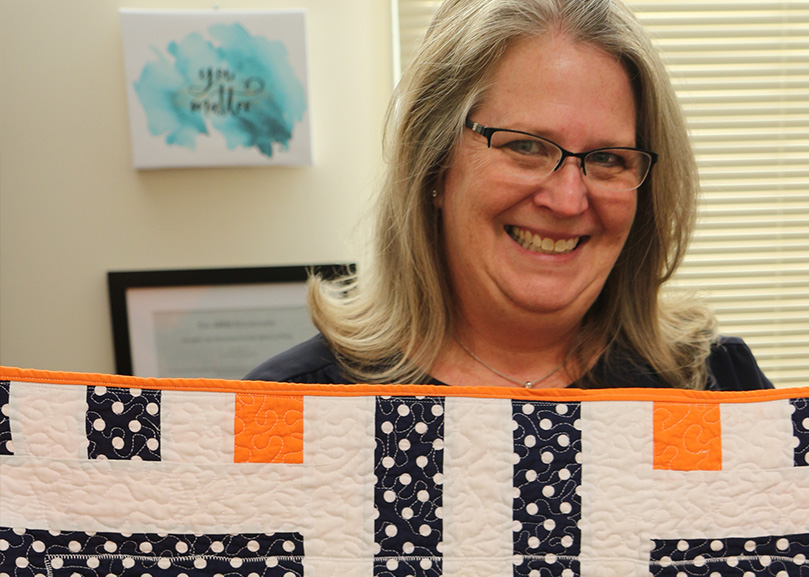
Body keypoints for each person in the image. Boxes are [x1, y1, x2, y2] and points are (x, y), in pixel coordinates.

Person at [247, 0, 772, 391]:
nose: (568, 200)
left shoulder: (721, 389)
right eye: (525, 146)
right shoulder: (294, 404)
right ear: (435, 166)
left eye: (609, 159)